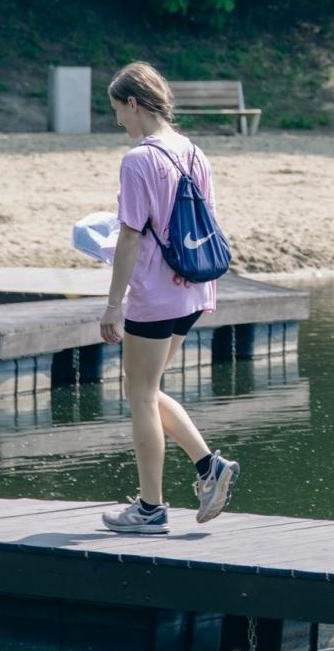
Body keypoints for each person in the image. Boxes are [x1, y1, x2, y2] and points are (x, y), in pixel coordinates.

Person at [98, 61, 239, 534]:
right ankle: (208, 468)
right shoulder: (192, 150)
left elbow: (131, 237)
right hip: (196, 289)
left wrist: (114, 304)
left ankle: (151, 508)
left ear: (134, 104)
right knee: (149, 388)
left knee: (138, 394)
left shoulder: (138, 159)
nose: (117, 119)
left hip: (156, 295)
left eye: (118, 109)